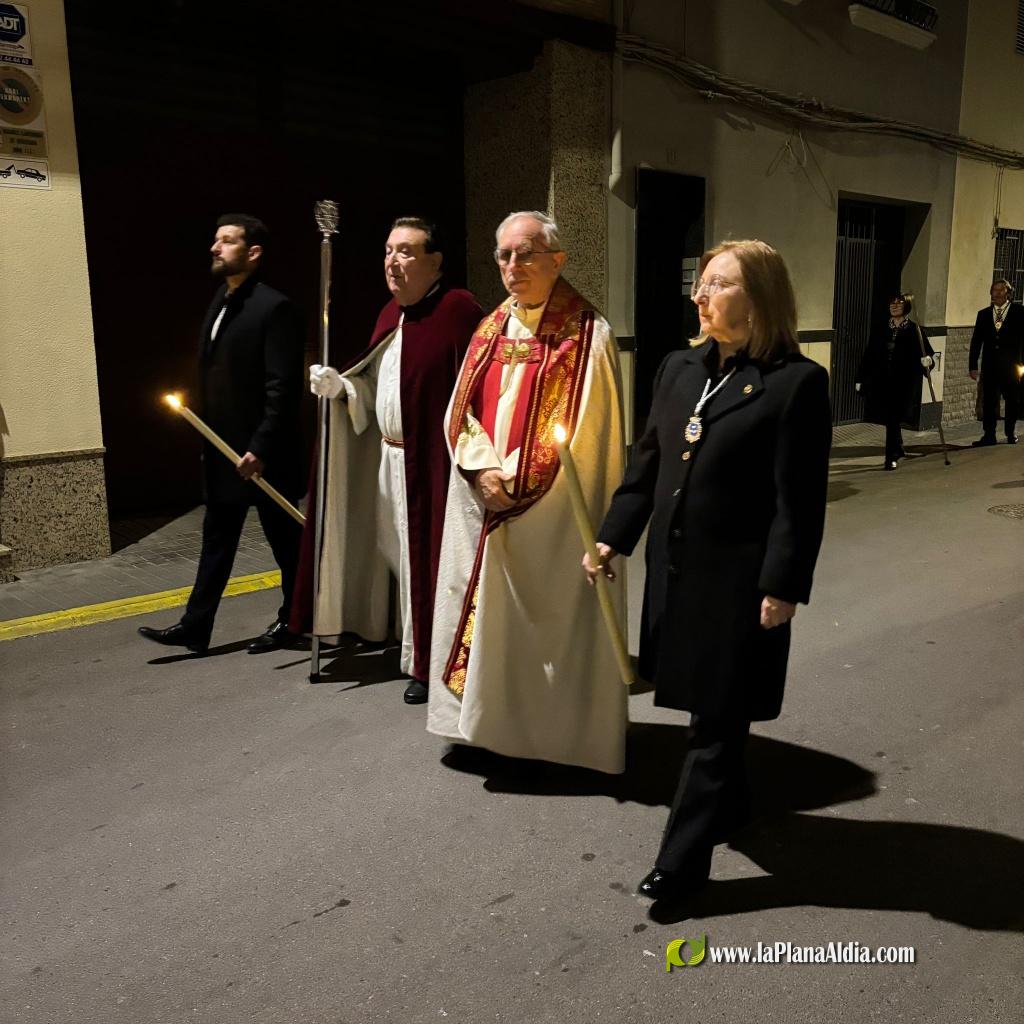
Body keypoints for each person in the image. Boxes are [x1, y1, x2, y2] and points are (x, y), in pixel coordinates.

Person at [586, 239, 832, 903]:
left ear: (757, 300)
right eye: (702, 283)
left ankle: (681, 866)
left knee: (713, 723)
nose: (700, 294)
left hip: (739, 585)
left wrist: (784, 584)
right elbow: (646, 468)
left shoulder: (796, 385)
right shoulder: (677, 370)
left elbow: (798, 500)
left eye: (718, 284)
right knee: (711, 708)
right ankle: (735, 803)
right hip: (677, 576)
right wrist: (612, 540)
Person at [427, 211, 628, 774]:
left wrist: (517, 483)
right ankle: (488, 730)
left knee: (549, 623)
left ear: (557, 261)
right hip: (486, 498)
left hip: (555, 513)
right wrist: (481, 469)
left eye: (526, 254)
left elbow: (587, 431)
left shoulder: (589, 334)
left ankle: (557, 741)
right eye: (503, 255)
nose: (512, 267)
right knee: (487, 617)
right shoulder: (490, 328)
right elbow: (461, 411)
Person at [292, 217, 482, 703]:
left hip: (436, 465)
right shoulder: (391, 317)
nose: (392, 263)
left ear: (435, 261)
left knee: (435, 564)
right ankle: (409, 645)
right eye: (387, 252)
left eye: (406, 252)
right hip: (389, 461)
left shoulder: (458, 311)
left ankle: (430, 663)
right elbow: (375, 387)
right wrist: (343, 388)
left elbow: (479, 392)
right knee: (398, 558)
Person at [140, 214, 304, 655]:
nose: (215, 248)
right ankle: (196, 626)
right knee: (217, 539)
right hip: (221, 452)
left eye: (227, 241)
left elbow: (281, 388)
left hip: (264, 456)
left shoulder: (275, 308)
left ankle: (295, 620)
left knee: (287, 545)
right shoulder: (220, 299)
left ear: (253, 253)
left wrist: (261, 447)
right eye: (215, 240)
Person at [854, 293, 934, 470]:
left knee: (894, 417)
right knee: (891, 418)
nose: (894, 306)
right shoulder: (881, 328)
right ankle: (896, 448)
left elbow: (927, 354)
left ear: (906, 308)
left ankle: (891, 456)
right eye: (892, 303)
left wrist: (927, 361)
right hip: (883, 381)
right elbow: (869, 355)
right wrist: (860, 378)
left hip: (904, 382)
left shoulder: (915, 330)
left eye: (899, 303)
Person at [969, 278, 1023, 446]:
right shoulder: (983, 314)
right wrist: (973, 366)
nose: (997, 293)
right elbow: (976, 341)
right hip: (990, 366)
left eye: (1001, 290)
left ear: (1008, 293)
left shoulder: (1019, 312)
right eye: (994, 290)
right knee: (990, 401)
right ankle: (989, 435)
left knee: (1012, 400)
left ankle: (1010, 432)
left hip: (1012, 365)